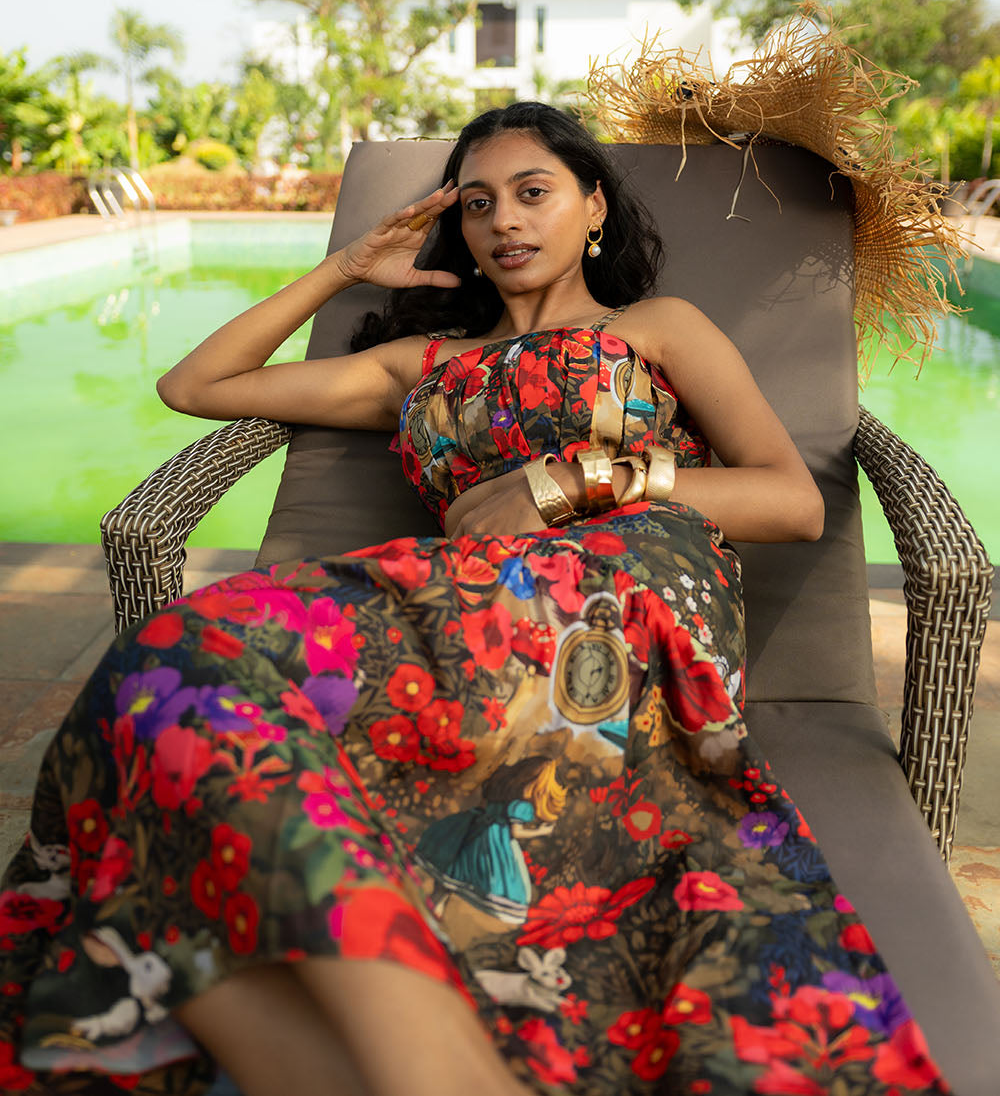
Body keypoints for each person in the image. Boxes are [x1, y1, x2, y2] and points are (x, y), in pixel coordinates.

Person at [0, 102, 949, 1096]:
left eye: (533, 193)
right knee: (173, 661)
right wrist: (347, 265)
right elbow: (195, 385)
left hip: (623, 593)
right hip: (444, 607)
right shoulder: (423, 366)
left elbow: (789, 500)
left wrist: (574, 480)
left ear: (592, 208)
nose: (503, 221)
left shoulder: (655, 330)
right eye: (479, 204)